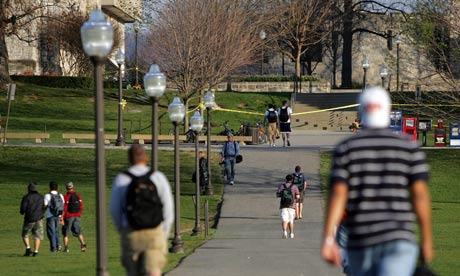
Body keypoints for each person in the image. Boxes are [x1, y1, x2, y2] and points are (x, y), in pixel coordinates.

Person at [321, 87, 433, 276]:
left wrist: (328, 239)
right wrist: (427, 239)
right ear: (388, 111)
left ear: (362, 111)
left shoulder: (347, 148)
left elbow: (339, 194)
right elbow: (420, 194)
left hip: (361, 237)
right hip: (398, 234)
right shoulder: (408, 147)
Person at [110, 145, 174, 276]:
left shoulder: (121, 179)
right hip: (154, 231)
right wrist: (164, 232)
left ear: (130, 159)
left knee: (133, 271)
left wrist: (122, 229)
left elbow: (115, 209)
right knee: (154, 271)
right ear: (146, 157)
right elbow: (168, 209)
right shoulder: (158, 177)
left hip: (132, 231)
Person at [20, 182, 45, 257]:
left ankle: (28, 248)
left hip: (29, 218)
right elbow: (43, 207)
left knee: (25, 234)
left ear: (29, 189)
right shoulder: (41, 197)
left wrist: (22, 212)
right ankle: (36, 251)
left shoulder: (26, 197)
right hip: (39, 218)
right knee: (38, 235)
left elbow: (23, 208)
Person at [61, 182, 86, 253]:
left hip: (69, 216)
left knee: (66, 232)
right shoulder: (78, 196)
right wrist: (79, 214)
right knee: (78, 231)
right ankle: (83, 244)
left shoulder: (66, 196)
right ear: (73, 187)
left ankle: (66, 248)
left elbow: (65, 208)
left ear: (66, 188)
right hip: (77, 216)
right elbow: (81, 206)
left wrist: (62, 217)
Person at [276, 175, 300, 239]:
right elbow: (297, 196)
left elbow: (277, 195)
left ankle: (284, 232)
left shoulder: (282, 186)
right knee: (291, 220)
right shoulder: (294, 187)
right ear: (292, 180)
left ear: (286, 179)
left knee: (284, 219)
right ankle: (291, 233)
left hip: (283, 205)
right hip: (292, 206)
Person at [44, 181, 64, 253]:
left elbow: (45, 206)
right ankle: (58, 244)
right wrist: (62, 217)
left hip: (50, 216)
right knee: (56, 231)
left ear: (50, 187)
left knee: (51, 232)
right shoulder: (60, 195)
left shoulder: (47, 195)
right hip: (58, 215)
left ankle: (53, 249)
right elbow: (62, 206)